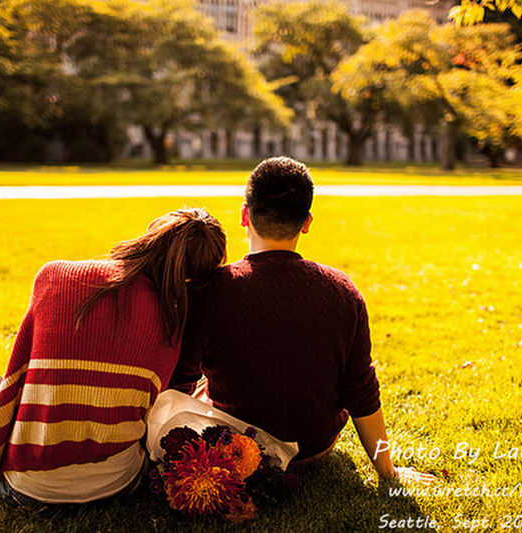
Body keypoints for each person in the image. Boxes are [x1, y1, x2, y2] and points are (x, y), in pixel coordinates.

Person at [171, 157, 435, 484]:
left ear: (244, 215)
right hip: (315, 446)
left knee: (199, 386)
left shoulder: (209, 291)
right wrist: (388, 471)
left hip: (238, 448)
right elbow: (360, 389)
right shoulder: (343, 291)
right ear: (307, 222)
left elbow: (178, 385)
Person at [0, 207, 227, 505]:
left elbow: (18, 378)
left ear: (151, 236)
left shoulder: (55, 275)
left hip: (29, 486)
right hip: (119, 484)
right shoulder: (175, 322)